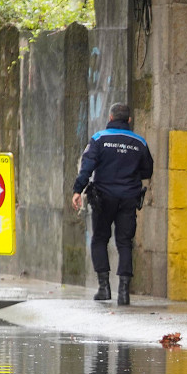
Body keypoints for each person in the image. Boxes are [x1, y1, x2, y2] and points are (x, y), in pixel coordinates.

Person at [71, 102, 154, 305]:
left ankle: (104, 287)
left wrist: (77, 190)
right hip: (129, 198)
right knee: (125, 242)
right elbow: (147, 171)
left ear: (110, 118)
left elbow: (87, 167)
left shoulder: (99, 139)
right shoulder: (139, 142)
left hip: (103, 198)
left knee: (99, 238)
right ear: (129, 120)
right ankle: (124, 292)